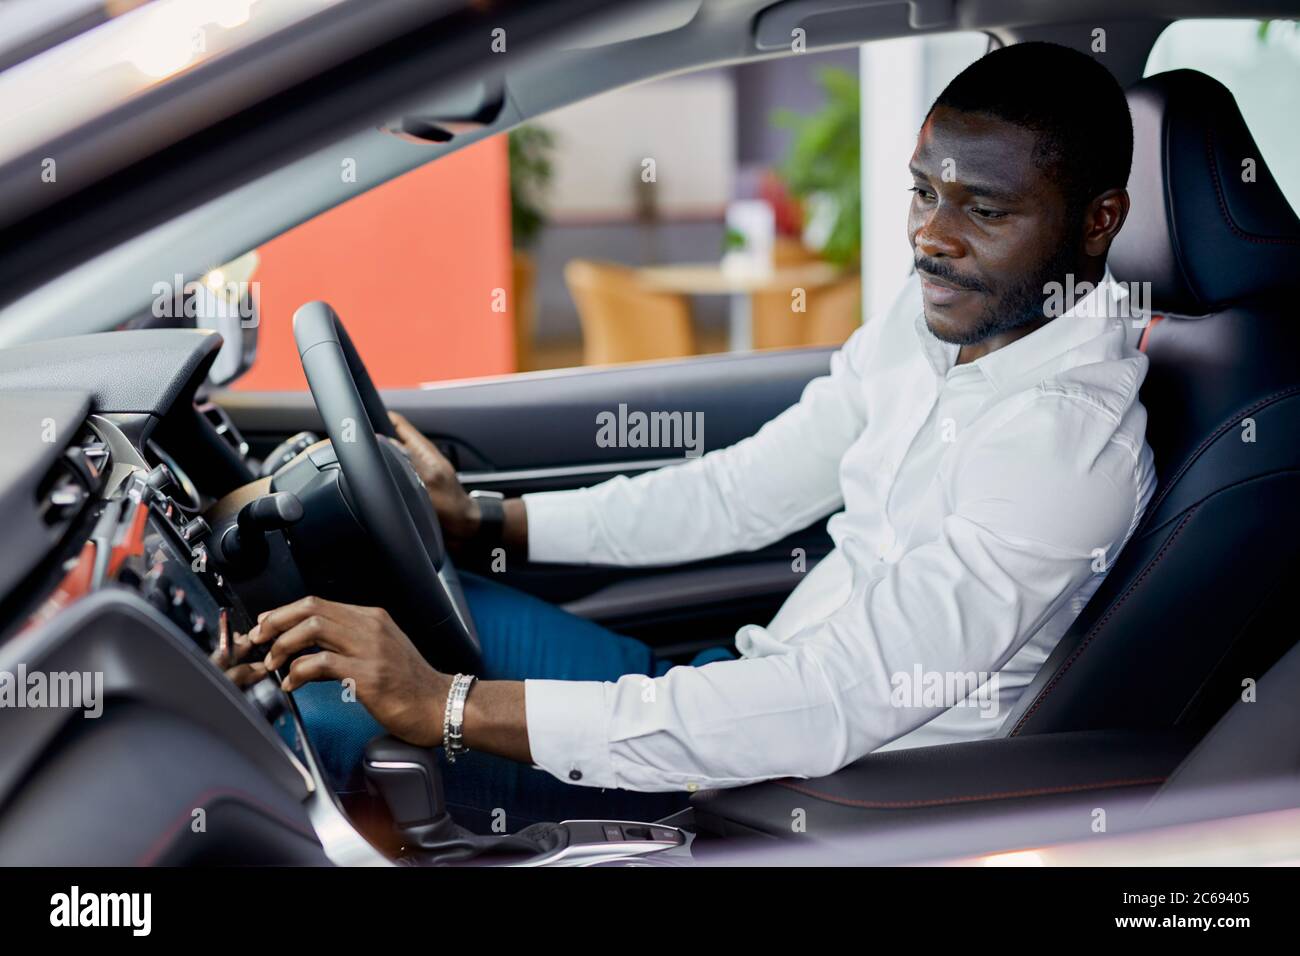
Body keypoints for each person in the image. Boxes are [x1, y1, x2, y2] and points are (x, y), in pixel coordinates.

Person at [228, 42, 1156, 833]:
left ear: (1098, 221)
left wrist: (449, 709)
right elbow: (740, 492)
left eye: (983, 212)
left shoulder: (1067, 451)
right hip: (731, 687)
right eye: (923, 194)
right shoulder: (943, 326)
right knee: (359, 617)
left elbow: (836, 700)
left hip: (795, 788)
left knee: (334, 722)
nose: (931, 238)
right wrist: (488, 519)